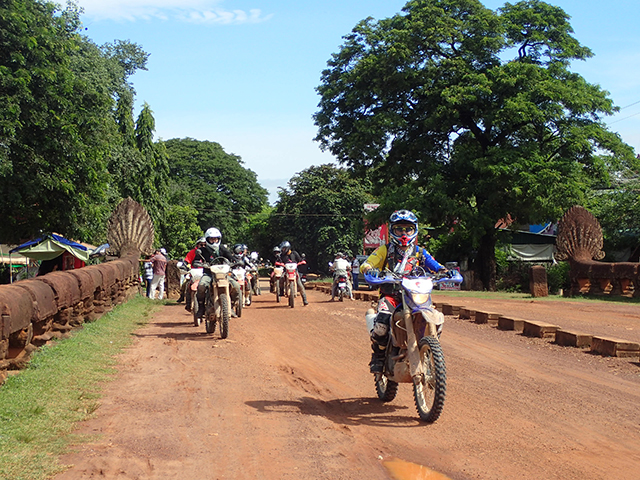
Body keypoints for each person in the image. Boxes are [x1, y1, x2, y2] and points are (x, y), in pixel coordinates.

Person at [360, 210, 446, 373]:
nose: (404, 233)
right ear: (393, 230)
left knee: (436, 319)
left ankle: (428, 349)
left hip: (415, 297)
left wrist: (444, 270)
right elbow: (369, 262)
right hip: (391, 297)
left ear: (415, 230)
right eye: (399, 229)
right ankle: (378, 356)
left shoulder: (420, 252)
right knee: (382, 325)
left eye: (408, 229)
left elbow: (435, 265)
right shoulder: (385, 250)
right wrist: (369, 269)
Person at [193, 228, 241, 319]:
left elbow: (231, 257)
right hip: (209, 274)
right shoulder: (202, 250)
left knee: (236, 286)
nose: (214, 241)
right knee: (201, 286)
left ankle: (231, 306)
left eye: (216, 239)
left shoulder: (222, 248)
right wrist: (198, 263)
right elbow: (195, 260)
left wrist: (237, 262)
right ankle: (201, 307)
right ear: (207, 239)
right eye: (211, 239)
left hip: (223, 274)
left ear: (219, 239)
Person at [276, 241, 309, 306]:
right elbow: (279, 261)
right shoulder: (282, 256)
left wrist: (302, 262)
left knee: (300, 284)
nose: (283, 250)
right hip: (286, 271)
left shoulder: (294, 253)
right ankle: (281, 291)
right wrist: (280, 263)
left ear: (288, 248)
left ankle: (304, 299)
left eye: (284, 249)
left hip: (294, 271)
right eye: (282, 249)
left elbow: (300, 260)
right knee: (281, 279)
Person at [179, 237, 206, 311]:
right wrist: (184, 266)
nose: (203, 246)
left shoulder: (209, 252)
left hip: (206, 273)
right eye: (201, 245)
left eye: (205, 245)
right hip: (194, 273)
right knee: (186, 284)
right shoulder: (192, 252)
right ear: (197, 245)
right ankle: (186, 301)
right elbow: (186, 260)